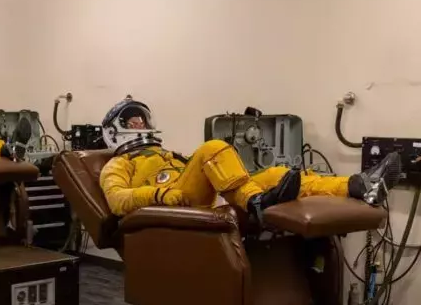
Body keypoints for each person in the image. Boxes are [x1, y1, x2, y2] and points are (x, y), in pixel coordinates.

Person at [99, 98, 402, 222]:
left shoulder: (168, 155)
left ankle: (360, 185)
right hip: (176, 203)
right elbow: (117, 200)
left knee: (277, 174)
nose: (139, 124)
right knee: (212, 147)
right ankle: (256, 203)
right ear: (114, 131)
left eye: (141, 119)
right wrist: (160, 194)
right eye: (131, 121)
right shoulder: (118, 164)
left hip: (200, 195)